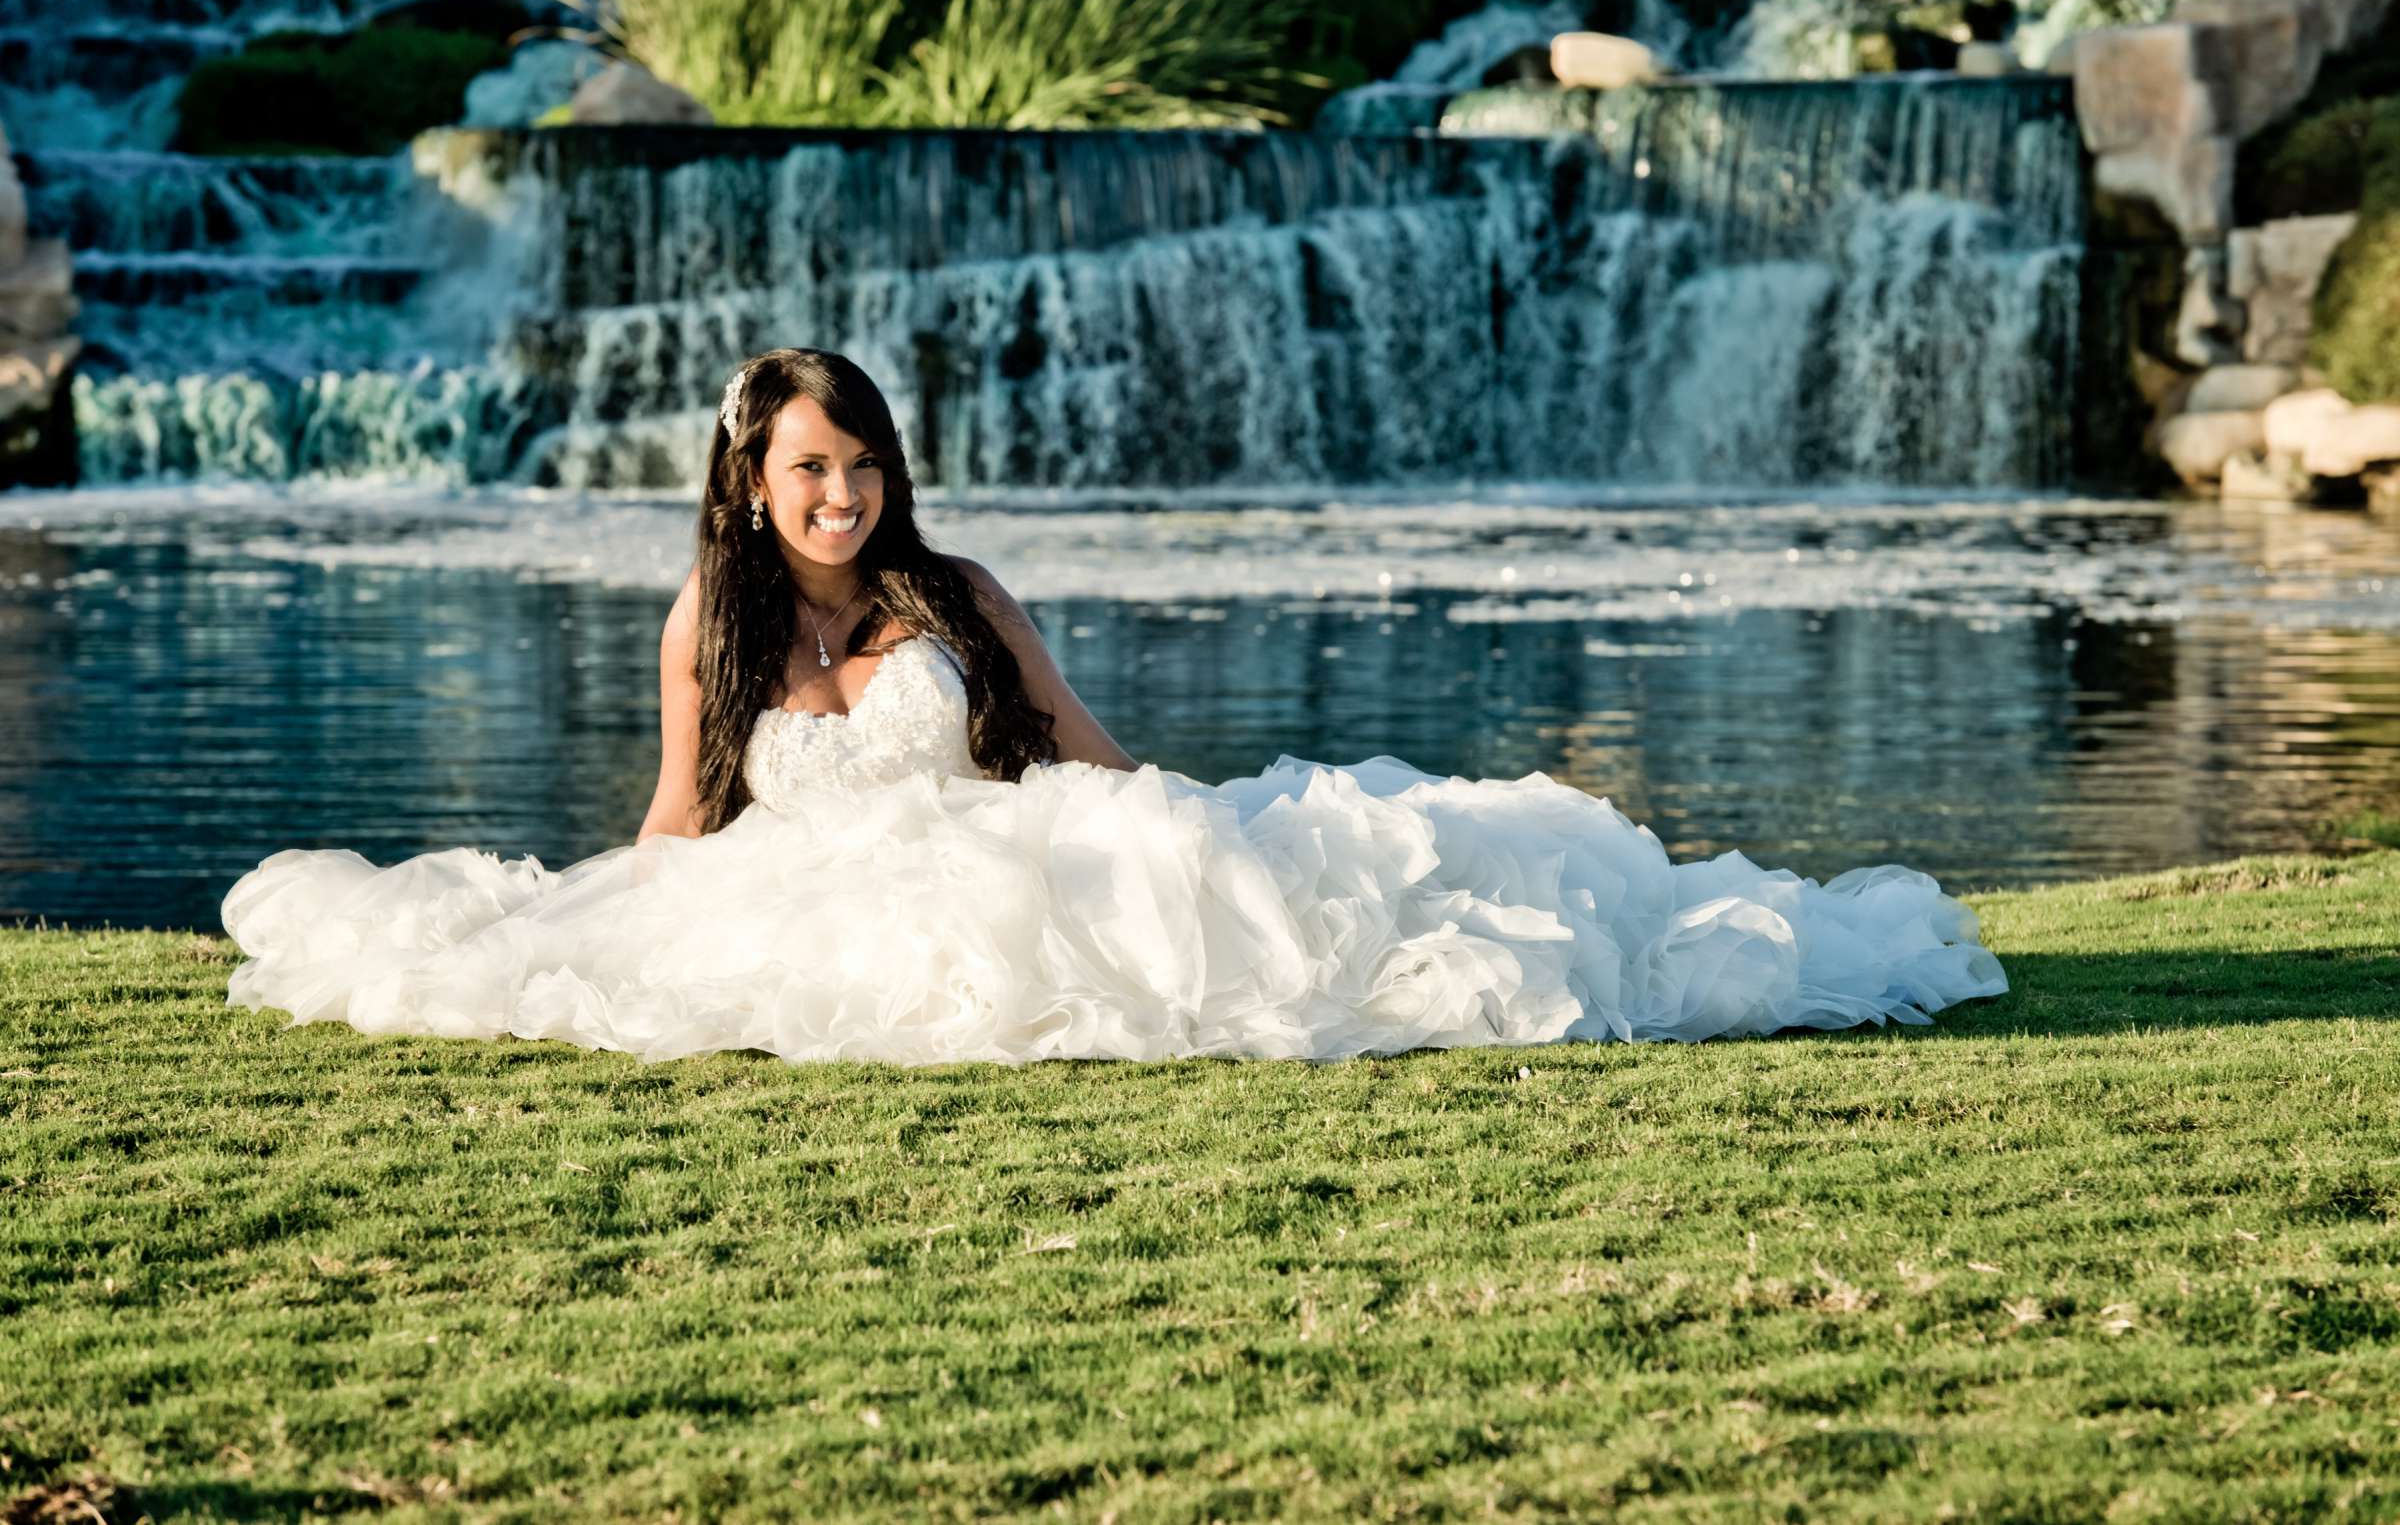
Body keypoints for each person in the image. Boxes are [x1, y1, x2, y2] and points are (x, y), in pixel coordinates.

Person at [221, 348, 2006, 1064]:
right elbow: (684, 807)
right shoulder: (710, 618)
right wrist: (612, 905)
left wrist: (1195, 818)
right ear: (754, 482)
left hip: (996, 843)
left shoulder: (961, 596)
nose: (842, 496)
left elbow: (1073, 740)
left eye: (863, 465)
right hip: (817, 882)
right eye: (810, 470)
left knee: (1203, 939)